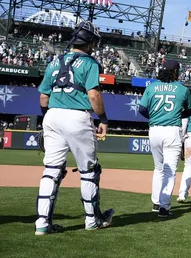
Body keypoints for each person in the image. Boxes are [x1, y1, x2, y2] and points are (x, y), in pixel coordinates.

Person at [34, 21, 114, 236]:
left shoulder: (54, 61)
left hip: (52, 115)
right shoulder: (90, 62)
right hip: (77, 117)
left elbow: (43, 95)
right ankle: (91, 220)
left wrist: (48, 119)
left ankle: (42, 223)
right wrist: (104, 119)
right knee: (89, 171)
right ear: (88, 42)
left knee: (51, 170)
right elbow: (93, 95)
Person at [138, 60, 191, 218]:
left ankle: (156, 202)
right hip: (171, 131)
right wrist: (176, 114)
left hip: (154, 129)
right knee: (169, 170)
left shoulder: (151, 87)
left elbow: (142, 109)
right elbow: (190, 111)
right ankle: (164, 206)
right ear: (175, 72)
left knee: (158, 168)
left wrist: (156, 116)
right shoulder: (182, 89)